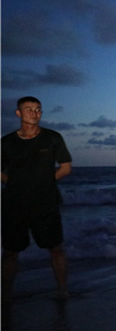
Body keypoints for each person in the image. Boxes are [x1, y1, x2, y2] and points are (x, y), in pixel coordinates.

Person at [2, 96, 72, 300]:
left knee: (56, 248)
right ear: (18, 113)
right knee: (10, 252)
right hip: (14, 204)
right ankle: (5, 294)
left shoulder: (52, 138)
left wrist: (42, 182)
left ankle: (62, 290)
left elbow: (65, 168)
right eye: (29, 109)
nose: (34, 113)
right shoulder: (6, 142)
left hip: (46, 203)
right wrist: (14, 183)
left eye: (38, 109)